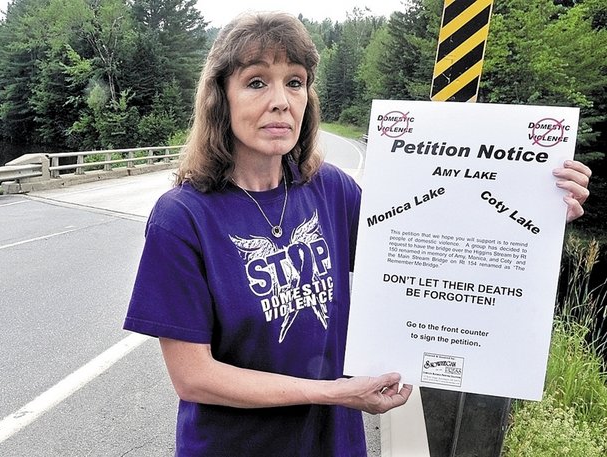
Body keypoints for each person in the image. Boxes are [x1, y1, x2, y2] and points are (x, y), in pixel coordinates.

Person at [123, 11, 592, 457]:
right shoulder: (182, 217)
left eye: (295, 82)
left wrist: (538, 219)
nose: (281, 101)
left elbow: (424, 251)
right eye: (256, 82)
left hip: (335, 443)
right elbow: (194, 378)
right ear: (220, 98)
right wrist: (334, 392)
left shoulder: (330, 189)